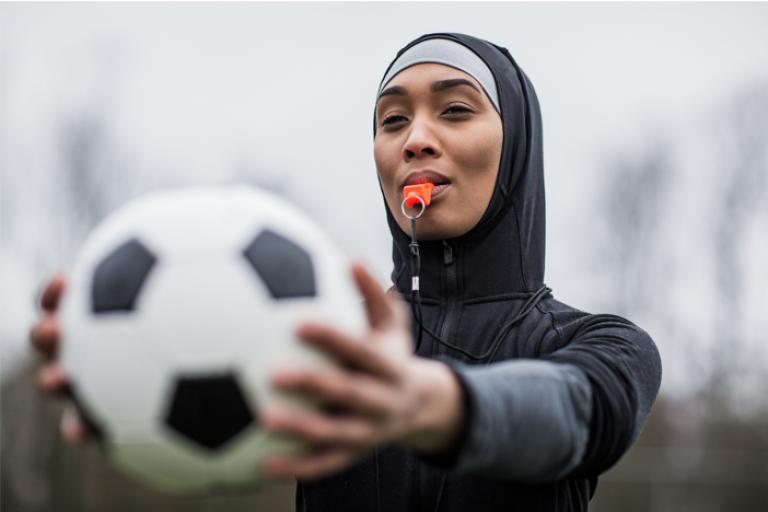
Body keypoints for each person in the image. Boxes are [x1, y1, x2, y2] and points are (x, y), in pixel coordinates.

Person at [30, 33, 662, 511]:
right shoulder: (322, 335)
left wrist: (423, 404)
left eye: (456, 110)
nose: (415, 138)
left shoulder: (605, 345)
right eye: (392, 120)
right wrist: (117, 373)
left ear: (519, 145)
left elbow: (581, 413)